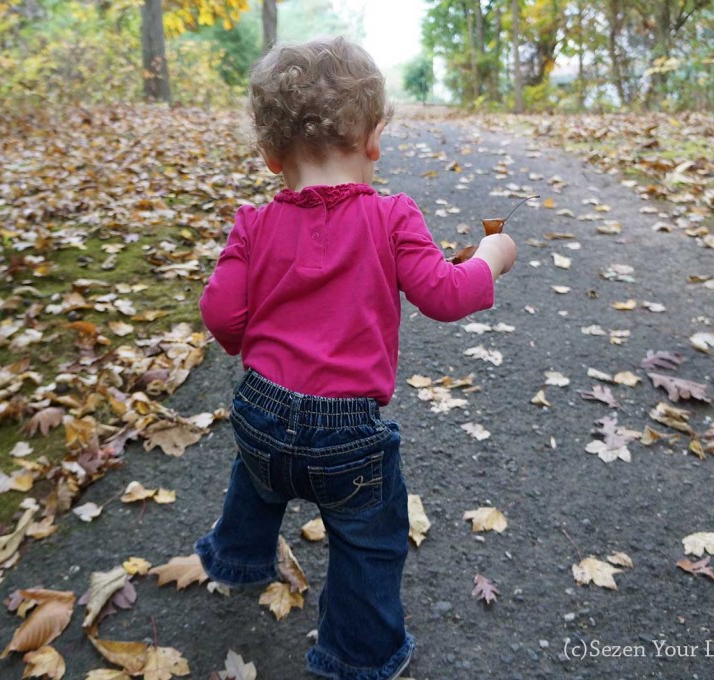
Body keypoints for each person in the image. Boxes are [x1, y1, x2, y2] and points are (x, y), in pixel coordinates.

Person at [195, 36, 517, 680]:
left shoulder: (252, 225)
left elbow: (223, 318)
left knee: (260, 474)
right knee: (371, 537)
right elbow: (445, 295)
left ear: (268, 156)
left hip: (261, 409)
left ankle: (236, 555)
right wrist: (491, 259)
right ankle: (358, 652)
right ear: (373, 140)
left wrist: (247, 342)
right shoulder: (393, 216)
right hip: (346, 435)